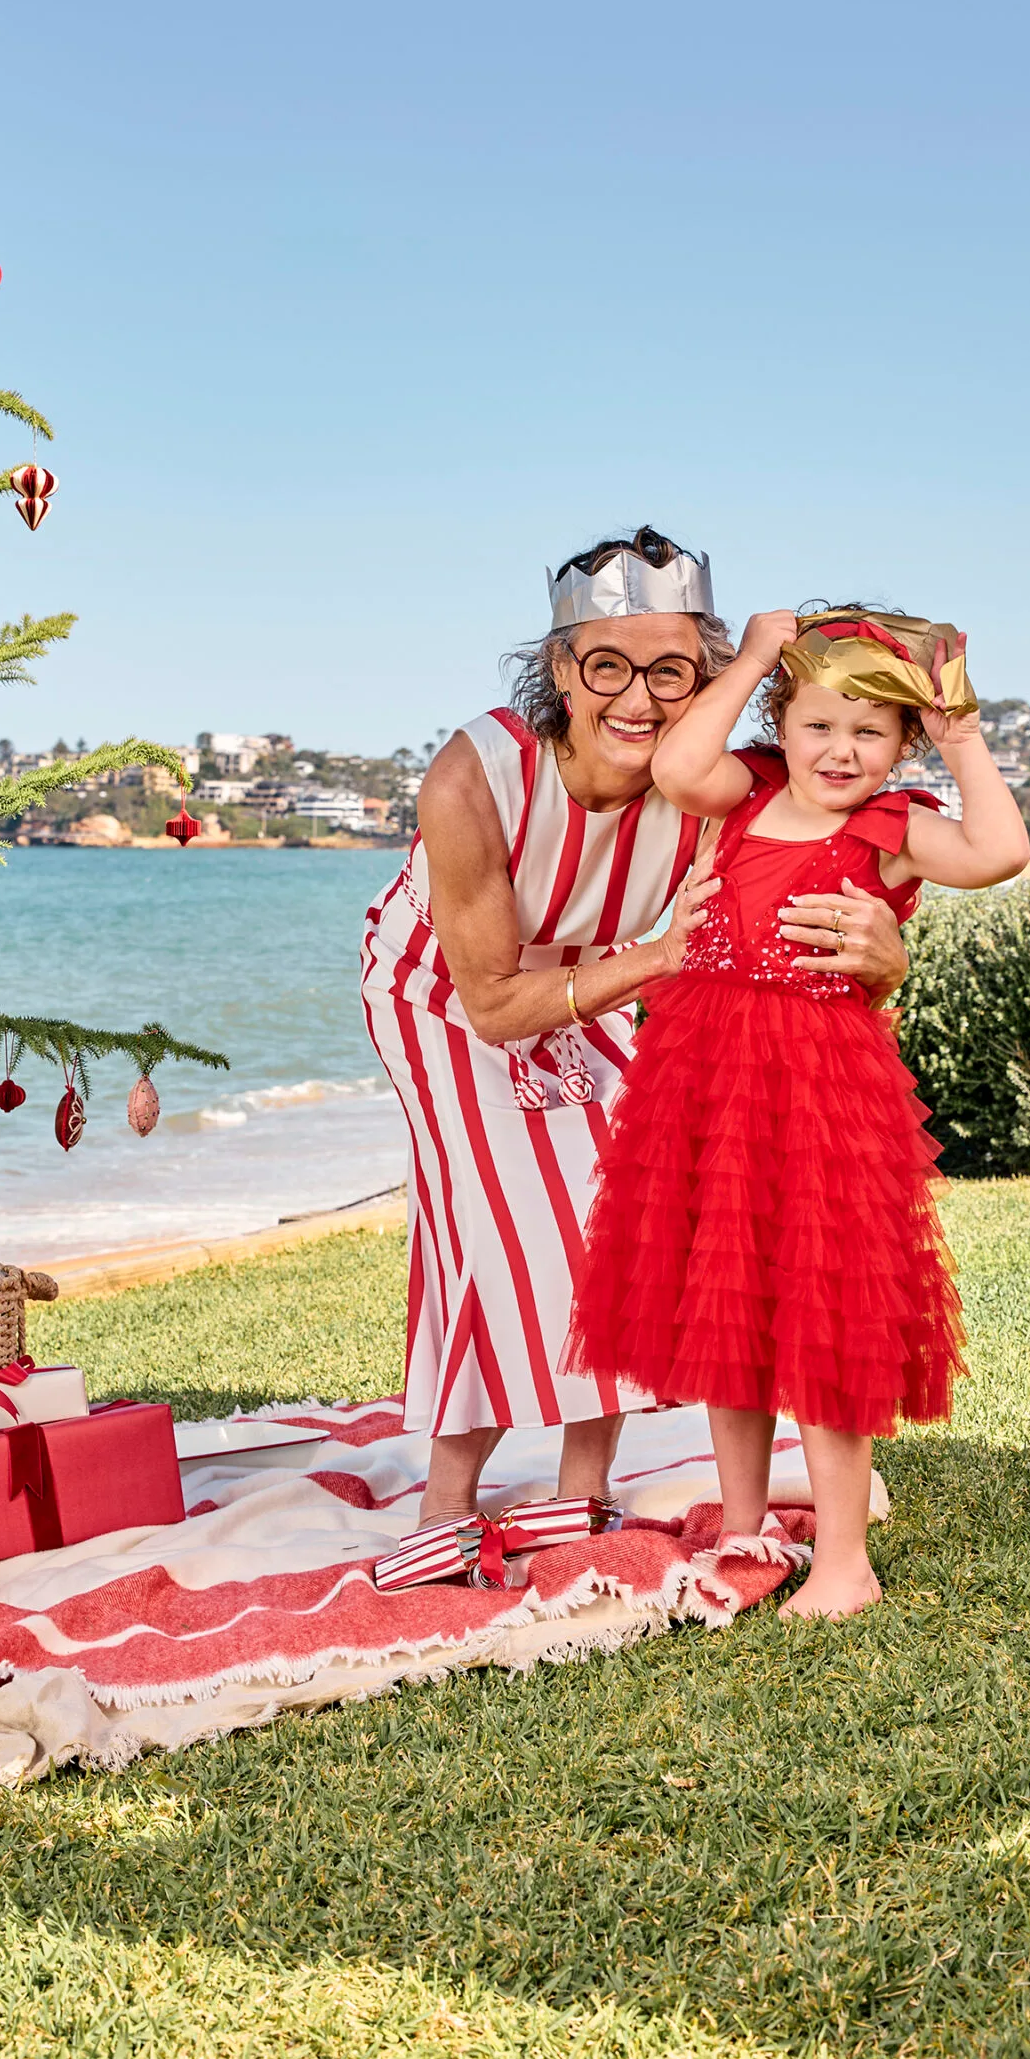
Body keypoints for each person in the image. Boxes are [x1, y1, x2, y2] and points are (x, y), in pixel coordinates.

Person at [359, 533, 914, 1523]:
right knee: (502, 1220)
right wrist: (660, 958)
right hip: (442, 992)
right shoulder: (472, 779)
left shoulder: (708, 789)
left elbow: (819, 889)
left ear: (704, 677)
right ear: (562, 671)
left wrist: (888, 958)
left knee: (625, 1219)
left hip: (602, 974)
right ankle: (445, 1505)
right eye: (607, 665)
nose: (639, 698)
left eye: (672, 671)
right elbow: (490, 1002)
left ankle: (582, 1492)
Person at [566, 602, 1030, 1617]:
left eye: (871, 731)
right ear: (782, 725)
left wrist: (963, 736)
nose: (840, 749)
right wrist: (762, 656)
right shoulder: (748, 790)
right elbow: (681, 767)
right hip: (704, 1076)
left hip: (821, 1089)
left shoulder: (894, 828)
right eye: (818, 724)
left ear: (903, 742)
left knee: (823, 1318)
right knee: (725, 1307)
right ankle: (744, 1527)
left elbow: (998, 852)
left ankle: (846, 1561)